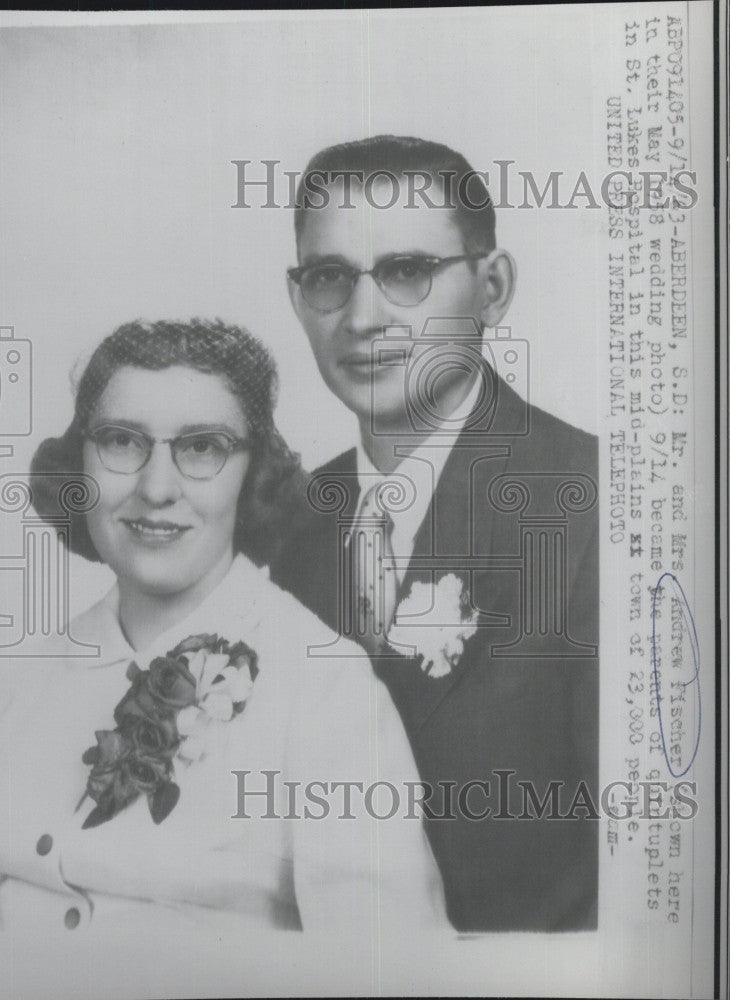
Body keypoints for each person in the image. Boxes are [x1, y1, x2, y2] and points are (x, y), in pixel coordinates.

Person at [0, 319, 445, 964]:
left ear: (255, 474)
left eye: (203, 448)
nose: (156, 489)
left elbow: (390, 971)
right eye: (121, 441)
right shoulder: (4, 682)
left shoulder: (327, 691)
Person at [273, 135, 599, 932]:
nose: (363, 317)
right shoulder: (280, 526)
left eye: (408, 272)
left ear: (492, 287)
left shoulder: (594, 504)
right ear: (297, 297)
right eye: (329, 278)